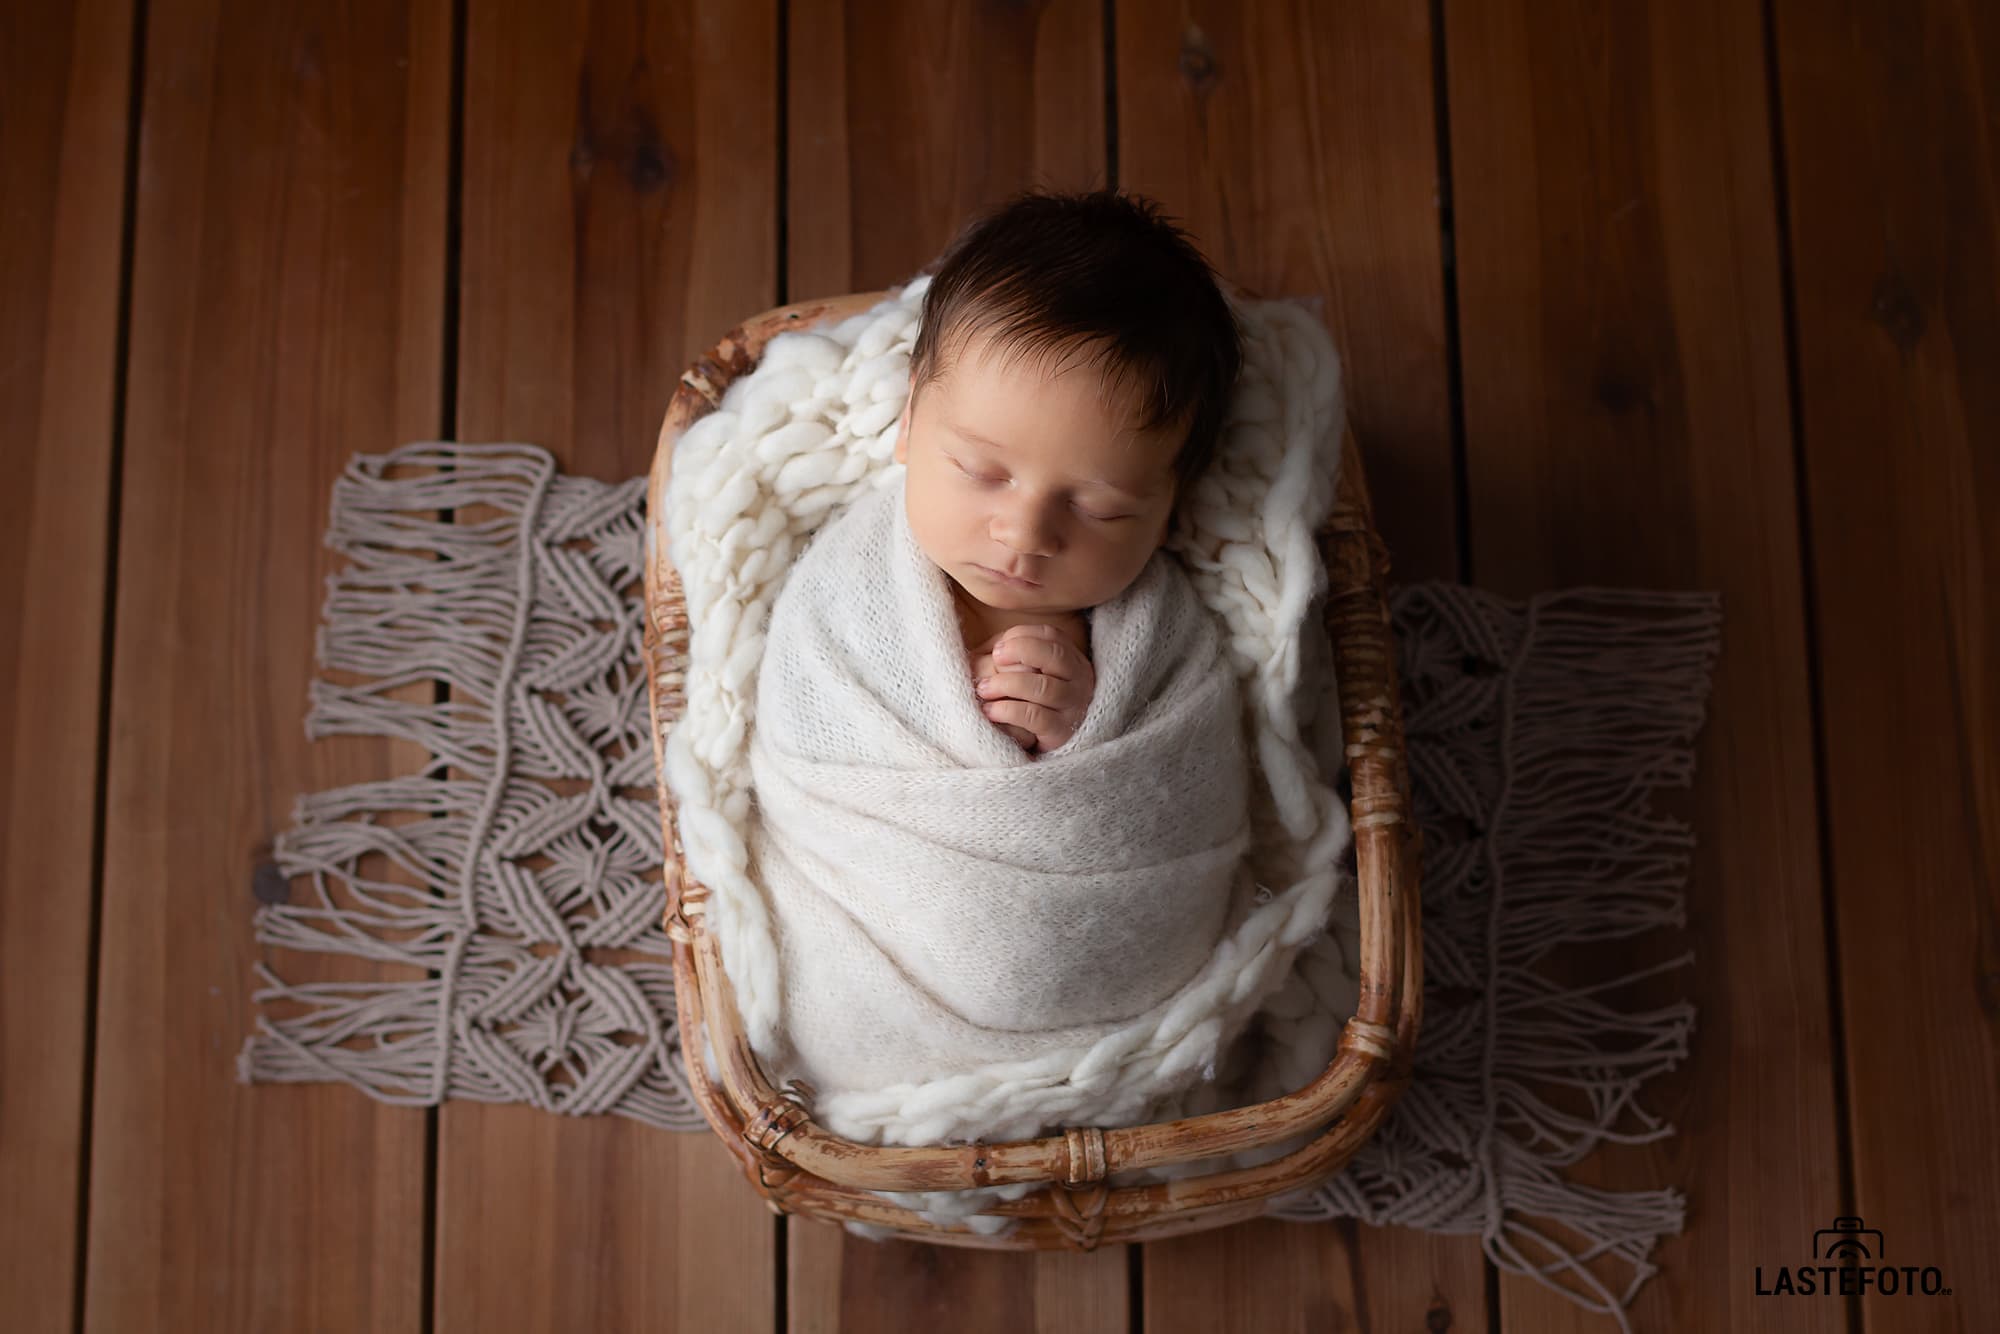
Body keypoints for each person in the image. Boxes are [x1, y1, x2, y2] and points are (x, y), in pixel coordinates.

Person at [891, 187, 1244, 756]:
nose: (1026, 533)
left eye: (1097, 508)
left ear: (1168, 510)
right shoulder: (854, 590)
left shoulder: (1165, 643)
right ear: (908, 422)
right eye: (980, 470)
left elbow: (1188, 780)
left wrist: (1086, 732)